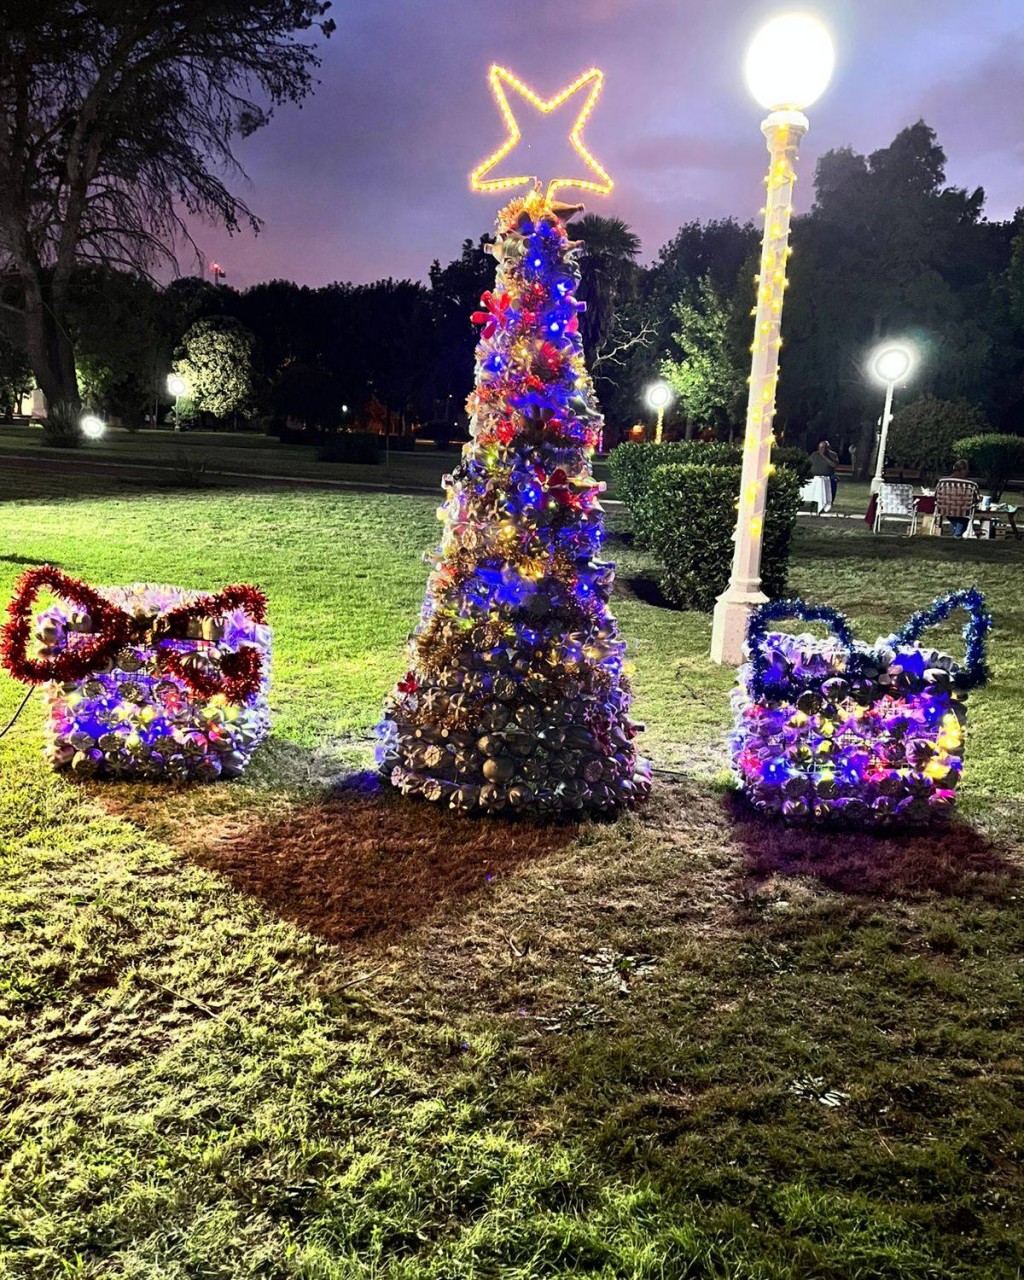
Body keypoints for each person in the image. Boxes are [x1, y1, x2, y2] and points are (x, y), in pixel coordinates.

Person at [809, 438, 839, 510]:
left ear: (827, 448)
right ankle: (814, 502)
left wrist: (824, 456)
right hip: (815, 477)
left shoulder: (832, 455)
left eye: (823, 447)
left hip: (828, 476)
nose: (821, 449)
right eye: (819, 447)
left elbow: (834, 465)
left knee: (833, 480)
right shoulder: (814, 455)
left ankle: (829, 502)